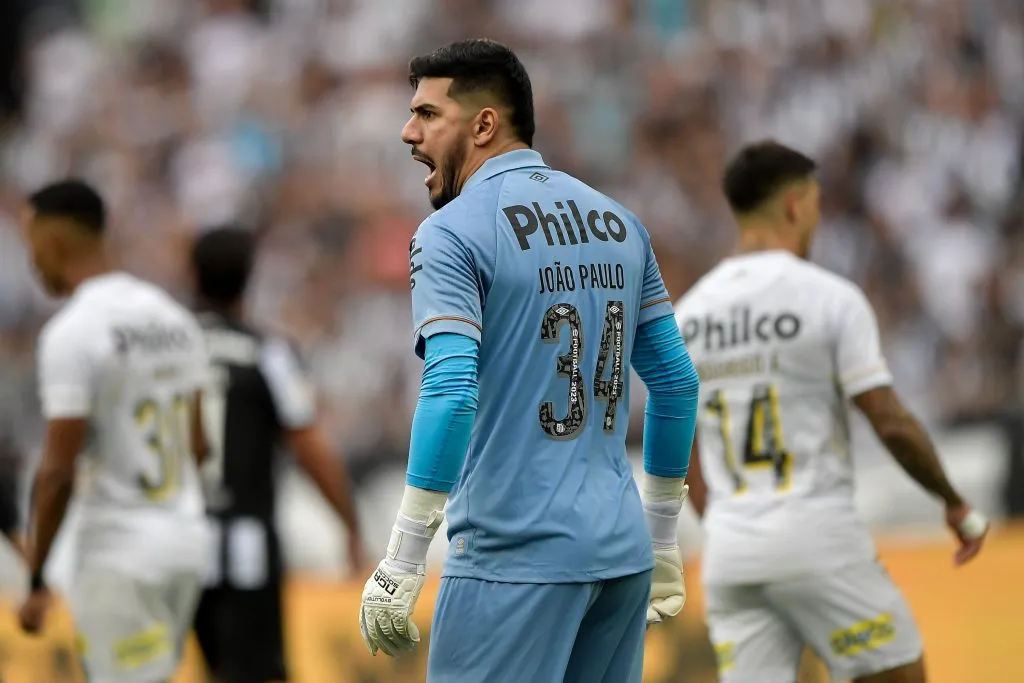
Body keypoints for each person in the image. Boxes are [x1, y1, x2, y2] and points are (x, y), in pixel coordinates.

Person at [357, 39, 701, 683]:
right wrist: (659, 540)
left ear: (484, 124)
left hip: (513, 560)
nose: (408, 132)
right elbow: (677, 386)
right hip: (621, 558)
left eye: (428, 114)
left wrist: (404, 557)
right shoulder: (621, 223)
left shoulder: (452, 231)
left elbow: (453, 390)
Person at [675, 141, 990, 683]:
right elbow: (887, 418)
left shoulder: (689, 316)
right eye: (817, 205)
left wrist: (729, 522)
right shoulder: (828, 298)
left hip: (731, 553)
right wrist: (953, 500)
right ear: (795, 205)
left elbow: (675, 443)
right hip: (817, 536)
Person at [18, 179, 210, 683]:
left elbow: (57, 471)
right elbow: (199, 444)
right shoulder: (172, 317)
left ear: (53, 242)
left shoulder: (72, 333)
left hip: (120, 555)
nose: (32, 262)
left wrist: (36, 574)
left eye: (30, 245)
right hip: (185, 547)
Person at [188, 226, 368, 683]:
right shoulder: (267, 352)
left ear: (193, 276)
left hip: (179, 539)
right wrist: (349, 525)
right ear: (249, 278)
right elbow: (309, 447)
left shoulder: (172, 349)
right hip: (246, 542)